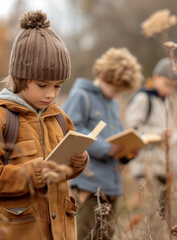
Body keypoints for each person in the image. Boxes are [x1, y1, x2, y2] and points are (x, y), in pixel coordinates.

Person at [0, 10, 88, 240]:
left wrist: (79, 162)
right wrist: (32, 173)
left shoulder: (60, 118)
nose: (50, 94)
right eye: (42, 85)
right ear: (20, 77)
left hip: (61, 231)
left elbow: (67, 172)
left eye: (58, 86)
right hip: (18, 231)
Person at [63, 47, 143, 240]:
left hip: (111, 185)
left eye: (119, 92)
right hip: (88, 184)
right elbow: (72, 131)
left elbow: (116, 135)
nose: (116, 95)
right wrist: (108, 149)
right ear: (101, 75)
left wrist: (126, 152)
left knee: (106, 235)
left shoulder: (113, 103)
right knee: (84, 234)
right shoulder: (81, 96)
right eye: (114, 90)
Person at [125, 57, 177, 189]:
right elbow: (132, 130)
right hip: (145, 168)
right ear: (155, 77)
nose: (169, 90)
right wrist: (160, 133)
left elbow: (169, 131)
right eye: (166, 84)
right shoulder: (143, 98)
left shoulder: (167, 102)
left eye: (173, 86)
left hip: (164, 168)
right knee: (148, 207)